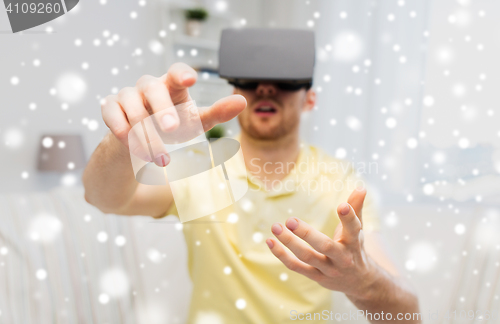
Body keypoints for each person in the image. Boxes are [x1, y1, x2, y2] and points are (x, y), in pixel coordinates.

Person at [83, 60, 420, 323]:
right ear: (233, 90)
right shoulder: (199, 165)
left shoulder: (341, 181)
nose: (265, 88)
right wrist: (124, 140)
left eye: (285, 81)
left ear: (310, 99)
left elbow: (407, 316)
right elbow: (105, 198)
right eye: (250, 80)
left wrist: (361, 280)